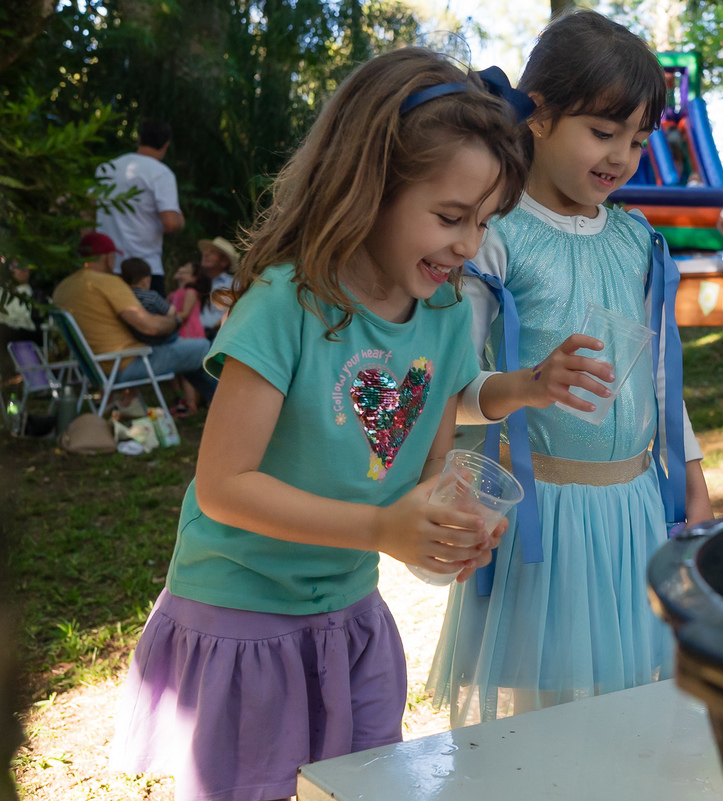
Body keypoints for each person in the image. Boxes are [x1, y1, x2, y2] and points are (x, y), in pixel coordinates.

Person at [108, 49, 529, 801]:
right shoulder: (284, 302)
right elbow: (224, 486)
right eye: (450, 217)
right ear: (372, 185)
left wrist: (447, 520)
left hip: (349, 618)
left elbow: (423, 474)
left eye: (485, 221)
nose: (469, 245)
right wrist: (380, 527)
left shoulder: (442, 317)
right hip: (243, 614)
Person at [427, 9, 714, 728]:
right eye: (603, 130)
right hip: (540, 521)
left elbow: (660, 381)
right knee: (541, 713)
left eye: (639, 138)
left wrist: (695, 483)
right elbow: (449, 396)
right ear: (540, 116)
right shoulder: (494, 235)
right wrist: (526, 386)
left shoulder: (636, 237)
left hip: (634, 511)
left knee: (631, 699)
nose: (622, 155)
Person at [52, 232, 216, 406]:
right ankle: (226, 406)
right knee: (204, 348)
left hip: (94, 368)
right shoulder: (107, 282)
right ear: (108, 258)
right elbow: (149, 326)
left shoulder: (62, 289)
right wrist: (174, 322)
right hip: (126, 364)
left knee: (188, 351)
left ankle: (213, 405)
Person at [94, 120, 184, 296]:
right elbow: (171, 223)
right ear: (166, 145)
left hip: (106, 265)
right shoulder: (161, 173)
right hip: (144, 271)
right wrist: (180, 219)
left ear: (139, 139)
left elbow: (87, 209)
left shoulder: (106, 169)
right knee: (150, 322)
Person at [166, 261, 210, 416]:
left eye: (184, 270)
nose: (179, 269)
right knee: (176, 371)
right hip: (178, 332)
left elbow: (184, 314)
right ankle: (180, 400)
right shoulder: (172, 294)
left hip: (190, 333)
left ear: (193, 278)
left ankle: (191, 404)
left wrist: (161, 320)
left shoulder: (190, 292)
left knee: (187, 370)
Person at [118, 257, 176, 346]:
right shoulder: (151, 296)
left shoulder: (122, 296)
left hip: (132, 338)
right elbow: (170, 311)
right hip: (155, 338)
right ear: (146, 281)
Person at [195, 236, 238, 340]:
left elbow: (237, 312)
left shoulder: (233, 285)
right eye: (206, 252)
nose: (206, 254)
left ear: (224, 262)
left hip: (216, 338)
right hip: (191, 337)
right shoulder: (194, 282)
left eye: (212, 252)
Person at [0, 259, 40, 345]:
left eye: (16, 268)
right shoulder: (3, 290)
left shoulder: (33, 295)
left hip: (19, 337)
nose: (11, 270)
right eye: (11, 267)